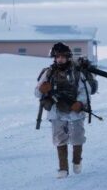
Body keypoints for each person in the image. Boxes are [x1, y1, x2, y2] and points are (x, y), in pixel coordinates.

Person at [35, 42, 91, 178]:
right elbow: (37, 92)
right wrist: (42, 90)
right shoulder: (48, 73)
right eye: (57, 56)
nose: (60, 59)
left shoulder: (76, 72)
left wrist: (79, 102)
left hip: (74, 110)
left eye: (63, 56)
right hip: (56, 111)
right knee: (59, 139)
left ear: (68, 57)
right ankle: (63, 168)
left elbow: (85, 90)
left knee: (77, 137)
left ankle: (77, 161)